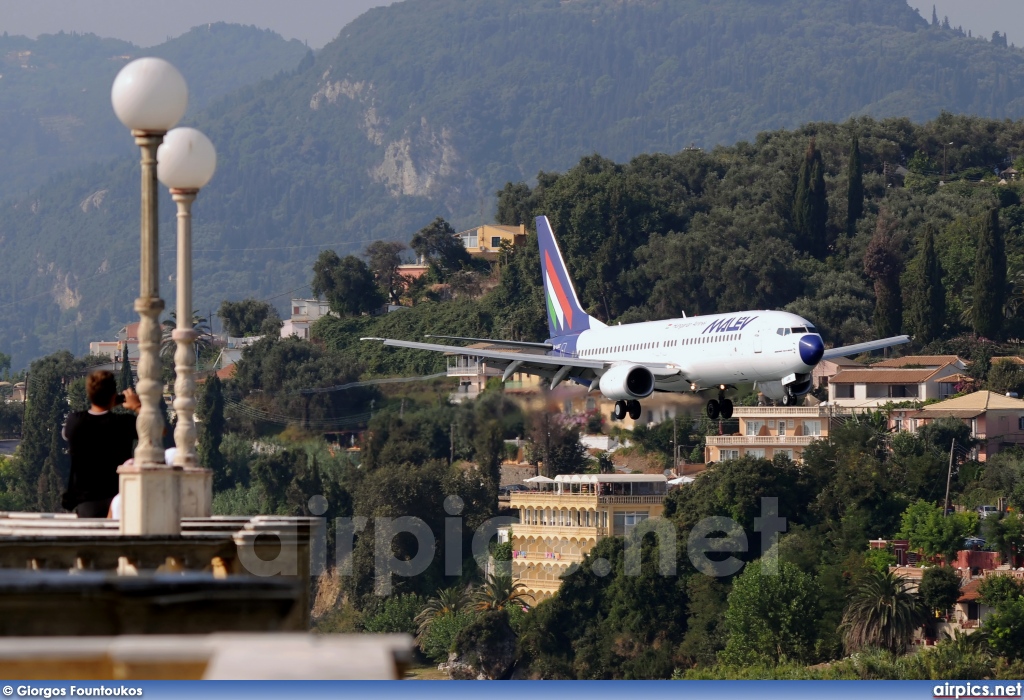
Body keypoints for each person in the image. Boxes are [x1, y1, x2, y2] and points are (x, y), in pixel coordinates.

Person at [62, 370, 140, 518]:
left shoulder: (75, 421)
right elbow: (157, 430)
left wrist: (109, 401)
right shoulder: (124, 424)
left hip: (86, 502)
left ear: (89, 394)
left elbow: (66, 433)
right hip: (119, 499)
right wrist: (137, 407)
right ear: (113, 395)